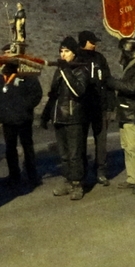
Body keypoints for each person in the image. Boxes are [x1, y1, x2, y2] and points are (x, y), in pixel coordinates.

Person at [40, 36, 89, 200]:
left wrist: (65, 70)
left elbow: (78, 91)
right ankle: (68, 180)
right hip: (59, 116)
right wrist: (46, 114)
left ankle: (77, 183)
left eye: (67, 51)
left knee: (75, 154)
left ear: (74, 53)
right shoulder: (59, 70)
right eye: (61, 51)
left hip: (74, 117)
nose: (63, 54)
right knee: (64, 154)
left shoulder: (81, 69)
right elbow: (54, 95)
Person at [0, 45, 43, 188]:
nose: (7, 56)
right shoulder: (0, 75)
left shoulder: (26, 73)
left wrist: (24, 107)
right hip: (7, 118)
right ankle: (14, 175)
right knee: (10, 148)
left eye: (10, 53)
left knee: (27, 147)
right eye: (5, 53)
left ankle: (32, 174)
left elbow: (36, 94)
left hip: (23, 117)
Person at [106, 38, 135, 194]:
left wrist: (111, 82)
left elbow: (132, 88)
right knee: (127, 147)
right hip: (126, 111)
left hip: (134, 112)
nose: (121, 56)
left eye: (124, 52)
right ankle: (132, 177)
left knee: (134, 147)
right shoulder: (132, 67)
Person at [77, 30, 115, 186]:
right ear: (84, 42)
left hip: (100, 106)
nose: (95, 44)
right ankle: (82, 172)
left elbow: (107, 79)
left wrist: (111, 103)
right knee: (80, 141)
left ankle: (100, 170)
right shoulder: (78, 58)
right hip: (83, 107)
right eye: (92, 42)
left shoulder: (100, 58)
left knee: (101, 141)